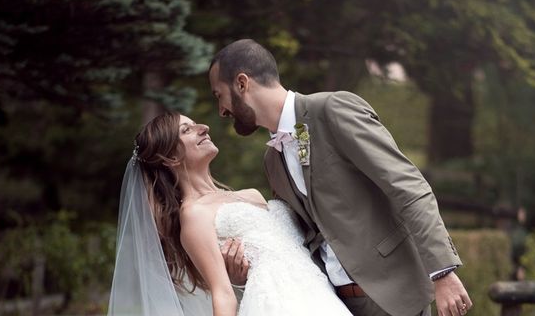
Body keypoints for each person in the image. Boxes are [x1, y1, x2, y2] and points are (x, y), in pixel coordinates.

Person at [208, 39, 473, 316]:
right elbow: (296, 236)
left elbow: (408, 187)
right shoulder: (272, 160)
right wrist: (248, 271)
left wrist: (442, 272)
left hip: (391, 297)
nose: (221, 110)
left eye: (219, 95)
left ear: (241, 84)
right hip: (331, 303)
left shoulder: (333, 110)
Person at [107, 111, 353, 316]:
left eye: (195, 124)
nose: (203, 128)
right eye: (187, 130)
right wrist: (238, 279)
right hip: (276, 304)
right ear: (170, 157)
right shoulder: (195, 215)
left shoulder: (252, 195)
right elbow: (223, 293)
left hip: (321, 295)